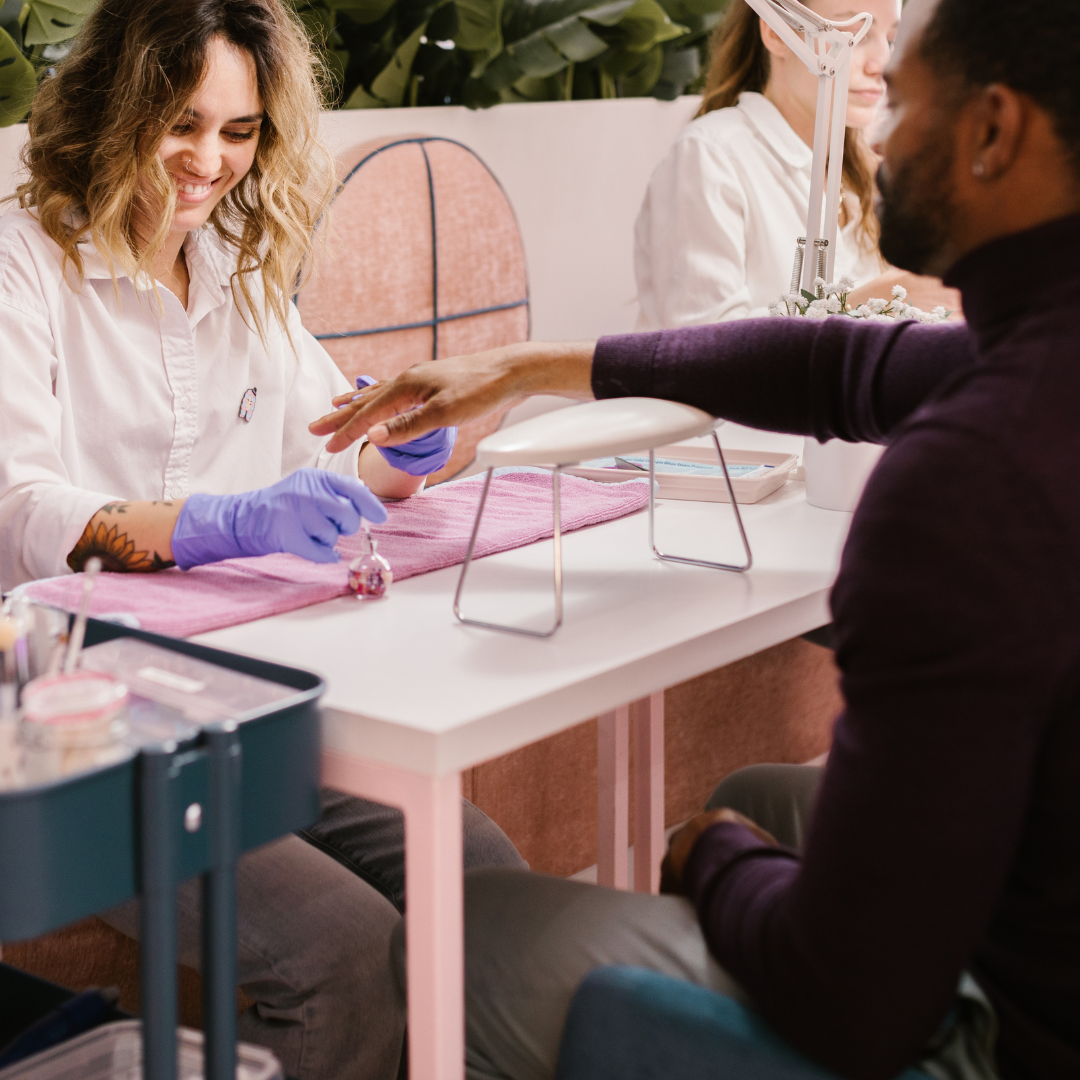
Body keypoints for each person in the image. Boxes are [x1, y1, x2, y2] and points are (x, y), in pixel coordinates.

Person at [313, 0, 1080, 1076]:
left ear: (993, 131)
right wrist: (539, 365)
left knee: (468, 933)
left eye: (900, 99)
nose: (879, 133)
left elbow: (850, 996)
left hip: (1010, 1036)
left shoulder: (971, 477)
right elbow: (827, 368)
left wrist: (715, 857)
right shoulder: (1032, 365)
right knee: (770, 792)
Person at [0, 3, 524, 1077]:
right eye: (181, 123)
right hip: (72, 719)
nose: (209, 162)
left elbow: (329, 462)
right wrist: (214, 525)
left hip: (240, 692)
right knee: (339, 950)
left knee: (483, 883)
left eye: (238, 133)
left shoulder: (238, 262)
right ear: (112, 105)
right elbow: (21, 513)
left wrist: (407, 447)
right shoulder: (22, 264)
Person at [634, 0, 960, 327]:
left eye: (892, 39)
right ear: (777, 34)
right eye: (854, 35)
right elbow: (698, 347)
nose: (883, 65)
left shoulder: (873, 165)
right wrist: (874, 300)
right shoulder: (709, 156)